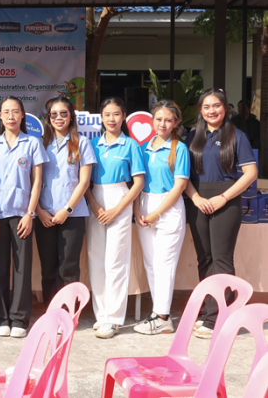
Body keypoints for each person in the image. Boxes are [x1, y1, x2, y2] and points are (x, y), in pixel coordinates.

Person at [185, 89, 257, 339]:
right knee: (204, 258)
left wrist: (223, 198)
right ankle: (208, 313)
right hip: (198, 200)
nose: (211, 110)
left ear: (226, 108)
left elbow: (250, 173)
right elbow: (184, 176)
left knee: (221, 260)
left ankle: (221, 317)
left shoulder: (238, 136)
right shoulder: (192, 137)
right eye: (206, 107)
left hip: (225, 201)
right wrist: (196, 198)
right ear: (201, 111)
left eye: (216, 106)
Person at [0, 96, 47, 338]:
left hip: (22, 215)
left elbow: (37, 180)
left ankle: (20, 319)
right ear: (0, 116)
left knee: (22, 268)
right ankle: (1, 318)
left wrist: (31, 214)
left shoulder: (32, 143)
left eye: (15, 111)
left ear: (23, 116)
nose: (11, 116)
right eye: (6, 112)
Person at [84, 97, 145, 339]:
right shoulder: (92, 144)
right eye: (107, 114)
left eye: (116, 114)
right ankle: (101, 316)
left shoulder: (130, 145)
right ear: (101, 117)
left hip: (121, 197)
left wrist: (117, 209)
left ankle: (114, 318)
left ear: (124, 116)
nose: (112, 119)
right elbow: (84, 181)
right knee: (95, 258)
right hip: (95, 200)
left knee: (115, 262)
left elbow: (138, 182)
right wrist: (95, 204)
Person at [132, 100, 190, 335]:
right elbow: (138, 181)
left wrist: (156, 213)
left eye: (168, 120)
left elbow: (180, 186)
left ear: (176, 123)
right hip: (144, 205)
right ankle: (158, 313)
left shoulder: (180, 149)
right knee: (151, 264)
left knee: (165, 264)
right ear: (152, 121)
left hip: (168, 208)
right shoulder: (143, 147)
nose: (162, 124)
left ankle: (164, 316)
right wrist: (138, 210)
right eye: (158, 119)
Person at [35, 95, 96, 307]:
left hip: (73, 215)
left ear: (71, 117)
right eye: (54, 114)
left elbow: (84, 181)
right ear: (48, 118)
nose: (59, 118)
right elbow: (33, 180)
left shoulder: (82, 143)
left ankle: (68, 312)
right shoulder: (40, 143)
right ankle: (51, 313)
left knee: (68, 267)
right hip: (44, 216)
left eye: (64, 113)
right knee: (49, 267)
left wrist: (67, 209)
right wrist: (40, 211)